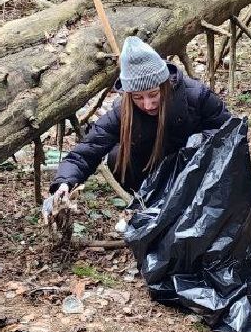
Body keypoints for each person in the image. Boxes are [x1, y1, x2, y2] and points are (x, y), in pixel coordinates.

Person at [46, 37, 231, 214]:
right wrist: (64, 183)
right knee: (116, 155)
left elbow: (229, 129)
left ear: (164, 85)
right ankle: (148, 204)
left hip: (195, 174)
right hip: (147, 176)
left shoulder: (195, 96)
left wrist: (198, 147)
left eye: (153, 94)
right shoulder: (122, 114)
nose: (148, 105)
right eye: (138, 98)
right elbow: (86, 151)